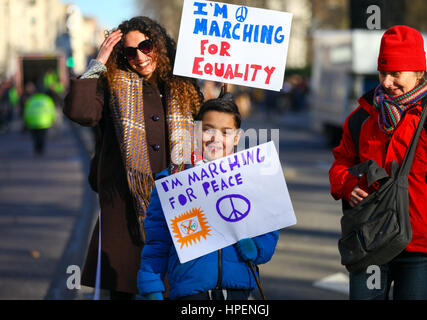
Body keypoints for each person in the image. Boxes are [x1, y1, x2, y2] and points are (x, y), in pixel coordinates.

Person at [63, 16, 203, 299]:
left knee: (173, 288)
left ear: (159, 46)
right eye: (130, 52)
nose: (139, 56)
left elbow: (207, 132)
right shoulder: (111, 85)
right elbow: (81, 112)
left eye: (146, 46)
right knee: (124, 288)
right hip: (124, 206)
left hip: (177, 203)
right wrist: (98, 62)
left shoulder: (182, 86)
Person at [329, 25, 427, 300]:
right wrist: (347, 184)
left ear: (419, 72)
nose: (386, 82)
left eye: (396, 74)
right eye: (383, 73)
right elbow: (340, 163)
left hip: (419, 249)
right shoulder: (359, 118)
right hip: (368, 242)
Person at [137, 97, 279, 300]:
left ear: (237, 137)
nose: (216, 138)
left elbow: (269, 232)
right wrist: (152, 286)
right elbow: (156, 242)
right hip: (190, 292)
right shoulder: (173, 182)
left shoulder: (251, 180)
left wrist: (257, 247)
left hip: (238, 291)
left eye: (226, 132)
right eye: (208, 129)